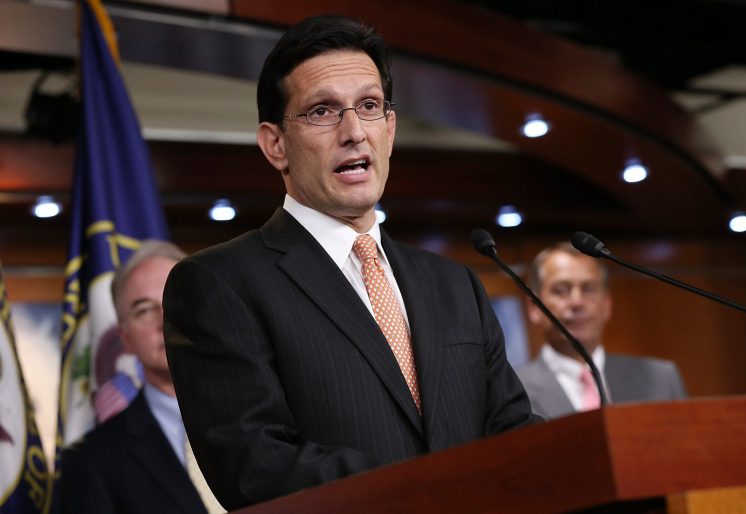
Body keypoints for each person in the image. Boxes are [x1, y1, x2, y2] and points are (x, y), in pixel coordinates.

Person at [162, 14, 540, 509]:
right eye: (323, 111)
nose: (354, 132)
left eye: (369, 106)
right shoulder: (219, 284)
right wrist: (440, 485)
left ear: (390, 128)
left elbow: (512, 434)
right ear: (275, 144)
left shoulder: (454, 285)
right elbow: (253, 465)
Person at [60, 241, 224, 514]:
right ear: (125, 339)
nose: (165, 319)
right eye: (144, 310)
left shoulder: (277, 416)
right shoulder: (91, 462)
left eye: (176, 298)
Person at [516, 242, 687, 420]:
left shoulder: (661, 378)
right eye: (561, 291)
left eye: (589, 289)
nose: (577, 302)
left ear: (607, 304)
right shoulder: (513, 390)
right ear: (533, 308)